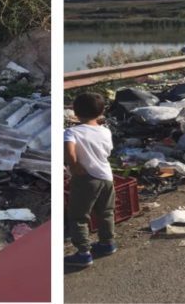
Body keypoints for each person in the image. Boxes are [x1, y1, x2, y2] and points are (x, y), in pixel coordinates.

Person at [64, 92, 115, 268]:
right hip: (106, 176)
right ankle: (107, 243)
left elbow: (69, 150)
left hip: (86, 178)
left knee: (79, 216)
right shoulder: (105, 131)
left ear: (75, 112)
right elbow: (108, 152)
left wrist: (74, 165)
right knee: (106, 212)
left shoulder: (71, 132)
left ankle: (83, 253)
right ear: (101, 112)